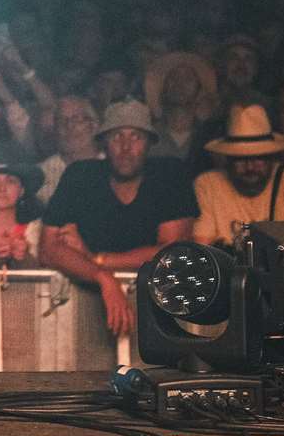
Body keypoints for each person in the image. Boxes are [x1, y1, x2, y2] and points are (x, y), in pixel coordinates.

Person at [38, 100, 197, 337]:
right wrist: (103, 278)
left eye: (136, 137)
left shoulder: (170, 174)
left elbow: (171, 253)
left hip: (160, 314)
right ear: (103, 142)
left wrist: (94, 259)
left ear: (149, 143)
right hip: (83, 313)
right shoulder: (80, 175)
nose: (125, 147)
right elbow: (49, 250)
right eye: (116, 137)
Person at [193, 104, 284, 247]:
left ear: (272, 157)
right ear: (228, 160)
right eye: (240, 159)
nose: (250, 166)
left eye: (258, 158)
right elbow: (203, 249)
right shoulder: (208, 184)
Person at [37, 95, 100, 204]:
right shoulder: (41, 175)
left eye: (77, 119)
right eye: (62, 120)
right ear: (55, 129)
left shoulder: (114, 167)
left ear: (94, 126)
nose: (69, 126)